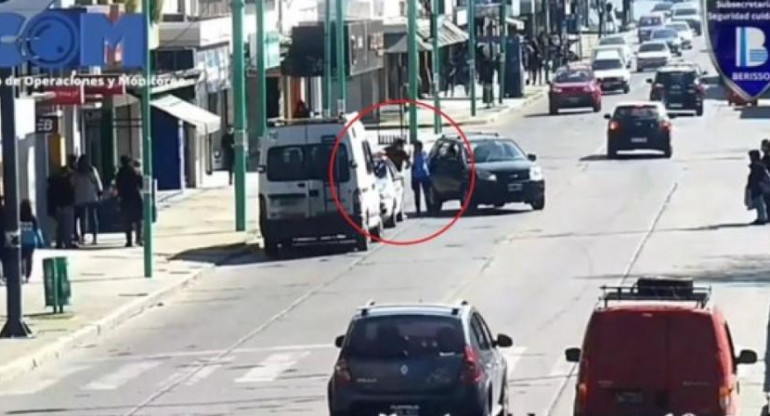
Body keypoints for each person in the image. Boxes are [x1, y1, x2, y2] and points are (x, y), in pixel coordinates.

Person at [47, 157, 77, 249]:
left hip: (58, 207)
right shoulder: (67, 182)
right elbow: (71, 193)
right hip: (67, 205)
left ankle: (59, 242)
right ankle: (67, 243)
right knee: (68, 226)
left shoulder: (54, 182)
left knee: (60, 227)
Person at [73, 155, 103, 245]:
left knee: (82, 218)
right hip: (91, 197)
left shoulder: (76, 172)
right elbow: (97, 182)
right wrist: (100, 192)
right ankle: (94, 238)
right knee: (93, 217)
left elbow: (73, 184)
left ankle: (82, 236)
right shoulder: (92, 170)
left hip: (80, 197)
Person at [115, 155, 144, 247]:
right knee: (138, 220)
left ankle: (129, 241)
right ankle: (138, 239)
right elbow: (141, 183)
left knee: (127, 221)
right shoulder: (134, 171)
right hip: (135, 197)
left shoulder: (120, 173)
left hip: (125, 198)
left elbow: (117, 186)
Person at [19, 199, 43, 283]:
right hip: (31, 242)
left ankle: (21, 274)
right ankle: (27, 275)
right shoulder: (33, 218)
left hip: (21, 242)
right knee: (29, 260)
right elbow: (37, 231)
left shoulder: (18, 217)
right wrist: (40, 241)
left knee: (20, 259)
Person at [746, 150, 769, 225]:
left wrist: (751, 186)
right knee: (764, 203)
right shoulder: (759, 165)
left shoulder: (757, 166)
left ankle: (761, 219)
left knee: (760, 203)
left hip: (760, 187)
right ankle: (764, 217)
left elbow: (755, 178)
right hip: (764, 186)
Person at [411, 141, 431, 216]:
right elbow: (412, 167)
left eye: (416, 147)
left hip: (424, 176)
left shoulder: (424, 154)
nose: (415, 148)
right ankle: (418, 210)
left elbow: (428, 163)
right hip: (416, 176)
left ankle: (429, 209)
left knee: (426, 193)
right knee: (417, 194)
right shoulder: (413, 155)